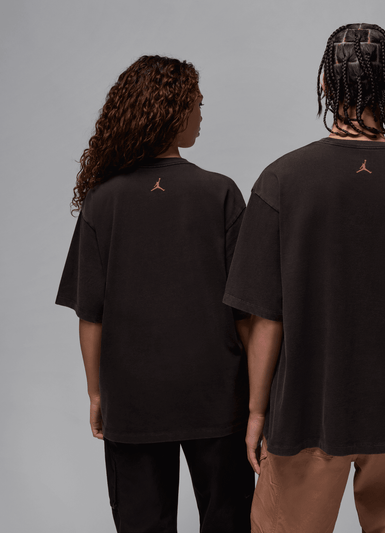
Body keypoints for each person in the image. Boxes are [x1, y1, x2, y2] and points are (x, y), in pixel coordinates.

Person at [223, 24, 385, 532]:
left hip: (304, 416)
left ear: (324, 82)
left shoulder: (280, 182)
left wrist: (256, 414)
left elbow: (266, 319)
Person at [56, 55, 254, 533]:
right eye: (197, 105)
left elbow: (91, 315)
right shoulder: (221, 193)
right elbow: (246, 314)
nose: (202, 114)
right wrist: (259, 402)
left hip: (133, 402)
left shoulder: (103, 201)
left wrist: (97, 393)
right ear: (173, 110)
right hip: (219, 400)